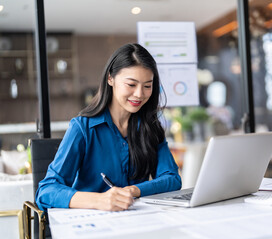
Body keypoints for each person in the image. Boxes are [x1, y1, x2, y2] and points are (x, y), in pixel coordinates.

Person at [36, 43, 182, 211]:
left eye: (147, 86)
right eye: (131, 85)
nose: (140, 94)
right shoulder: (83, 128)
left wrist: (134, 190)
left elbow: (172, 179)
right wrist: (99, 200)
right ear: (110, 78)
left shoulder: (151, 127)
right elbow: (46, 191)